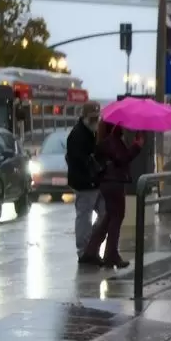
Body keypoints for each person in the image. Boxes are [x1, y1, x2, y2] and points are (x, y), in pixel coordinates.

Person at [80, 122, 142, 268]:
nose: (124, 126)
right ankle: (111, 255)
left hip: (109, 182)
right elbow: (122, 159)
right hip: (114, 183)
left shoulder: (109, 140)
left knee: (110, 217)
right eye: (120, 125)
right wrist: (137, 146)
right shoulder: (111, 141)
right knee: (117, 217)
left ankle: (91, 250)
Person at [66, 102, 106, 262]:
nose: (96, 121)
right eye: (93, 118)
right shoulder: (77, 135)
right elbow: (76, 159)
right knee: (84, 217)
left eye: (97, 117)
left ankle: (91, 245)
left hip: (95, 182)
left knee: (105, 213)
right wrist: (91, 162)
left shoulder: (93, 133)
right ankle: (84, 251)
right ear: (85, 117)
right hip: (84, 183)